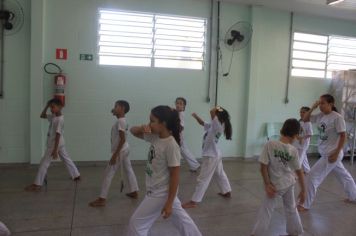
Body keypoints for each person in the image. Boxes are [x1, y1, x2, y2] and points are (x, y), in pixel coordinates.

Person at [127, 106, 201, 236]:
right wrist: (141, 128)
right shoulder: (155, 136)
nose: (150, 123)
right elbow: (133, 131)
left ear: (164, 123)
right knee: (183, 222)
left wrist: (169, 202)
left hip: (160, 193)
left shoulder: (171, 145)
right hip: (160, 191)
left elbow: (175, 175)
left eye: (152, 121)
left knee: (136, 224)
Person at [298, 94, 356, 211]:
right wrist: (313, 107)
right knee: (344, 176)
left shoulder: (337, 117)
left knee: (312, 177)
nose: (320, 105)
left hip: (331, 154)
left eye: (323, 103)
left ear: (331, 104)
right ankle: (354, 197)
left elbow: (343, 136)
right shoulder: (321, 116)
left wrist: (336, 153)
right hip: (325, 153)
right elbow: (305, 119)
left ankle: (305, 205)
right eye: (319, 103)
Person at [251, 118, 305, 236]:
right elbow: (299, 171)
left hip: (275, 186)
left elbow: (263, 166)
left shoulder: (270, 144)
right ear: (296, 135)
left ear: (281, 130)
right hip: (289, 182)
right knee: (291, 208)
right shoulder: (294, 150)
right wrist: (304, 190)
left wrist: (267, 184)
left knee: (266, 210)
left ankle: (257, 233)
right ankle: (295, 231)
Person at [89, 100, 139, 207]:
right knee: (128, 170)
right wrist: (115, 112)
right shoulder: (122, 120)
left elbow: (122, 139)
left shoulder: (121, 121)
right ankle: (134, 191)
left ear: (122, 109)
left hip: (120, 151)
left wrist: (115, 155)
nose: (114, 108)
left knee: (108, 173)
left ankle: (102, 199)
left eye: (116, 106)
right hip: (125, 149)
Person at [25, 98, 80, 192]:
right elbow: (42, 115)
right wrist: (46, 106)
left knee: (44, 163)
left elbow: (58, 135)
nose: (51, 109)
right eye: (51, 107)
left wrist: (55, 150)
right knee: (66, 158)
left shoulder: (59, 119)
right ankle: (76, 175)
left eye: (53, 107)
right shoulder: (54, 116)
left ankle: (37, 184)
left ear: (60, 107)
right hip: (59, 143)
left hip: (55, 144)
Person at [182, 106, 232, 209]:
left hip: (211, 156)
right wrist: (196, 116)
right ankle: (226, 191)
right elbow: (202, 123)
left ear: (218, 116)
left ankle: (194, 201)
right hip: (215, 154)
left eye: (216, 114)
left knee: (203, 179)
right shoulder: (216, 125)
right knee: (220, 173)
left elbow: (211, 111)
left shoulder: (217, 124)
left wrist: (218, 107)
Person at [175, 97, 200, 172]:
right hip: (177, 136)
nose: (178, 105)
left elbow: (181, 127)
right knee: (184, 151)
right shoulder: (177, 113)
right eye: (177, 103)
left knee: (184, 151)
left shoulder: (181, 114)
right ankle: (194, 165)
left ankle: (195, 165)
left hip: (179, 137)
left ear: (184, 106)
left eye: (180, 104)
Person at [292, 106, 312, 173]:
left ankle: (296, 173)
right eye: (301, 112)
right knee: (303, 157)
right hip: (297, 142)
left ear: (308, 113)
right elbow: (297, 130)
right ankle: (307, 170)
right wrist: (296, 136)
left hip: (303, 143)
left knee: (299, 158)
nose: (301, 113)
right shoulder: (300, 121)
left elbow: (310, 134)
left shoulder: (308, 123)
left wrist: (302, 138)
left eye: (304, 112)